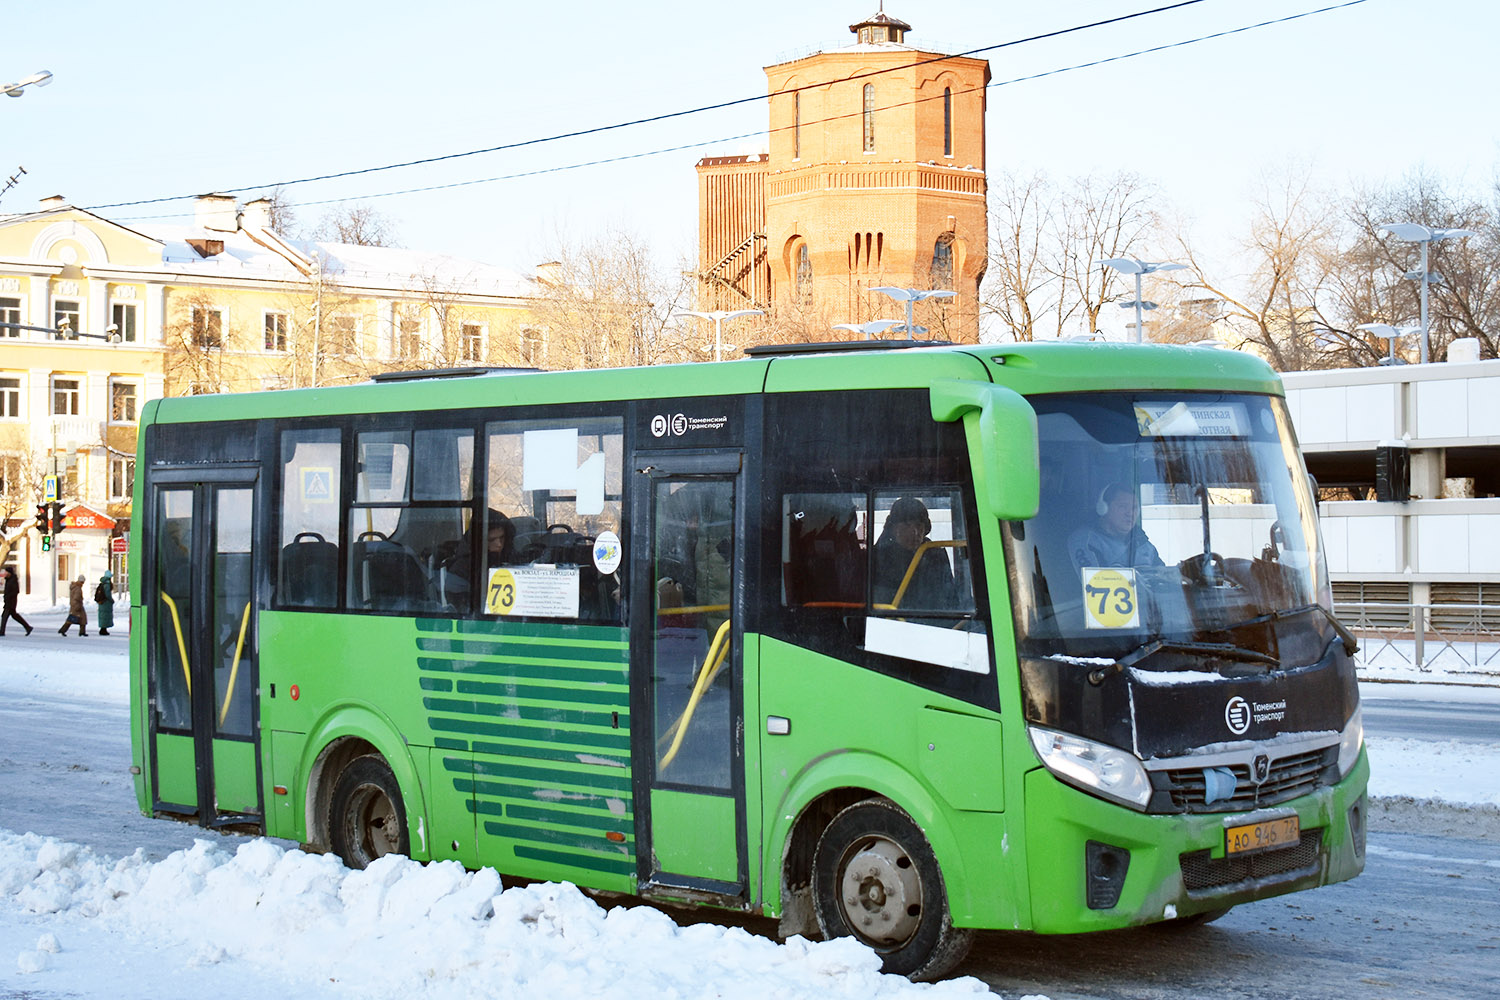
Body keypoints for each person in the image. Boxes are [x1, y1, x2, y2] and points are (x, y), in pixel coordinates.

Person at [872, 497, 957, 609]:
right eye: (907, 525)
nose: (915, 532)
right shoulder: (879, 558)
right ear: (893, 529)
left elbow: (951, 598)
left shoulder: (935, 553)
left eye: (919, 526)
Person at [1068, 482, 1163, 573]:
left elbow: (1164, 577)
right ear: (1103, 508)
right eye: (1123, 506)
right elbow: (1095, 582)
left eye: (1134, 508)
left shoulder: (1144, 544)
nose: (1130, 513)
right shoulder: (1085, 540)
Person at [0, 566, 32, 636]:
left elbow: (16, 591)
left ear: (10, 573)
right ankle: (28, 627)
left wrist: (8, 596)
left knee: (4, 616)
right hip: (8, 602)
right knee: (15, 616)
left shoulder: (13, 580)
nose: (5, 573)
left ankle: (2, 632)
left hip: (11, 602)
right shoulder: (8, 579)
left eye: (6, 572)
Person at [95, 570, 115, 636]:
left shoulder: (103, 583)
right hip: (105, 602)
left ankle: (103, 628)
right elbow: (107, 594)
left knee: (103, 615)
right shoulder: (107, 583)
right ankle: (103, 629)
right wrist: (111, 600)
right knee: (106, 616)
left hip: (101, 602)